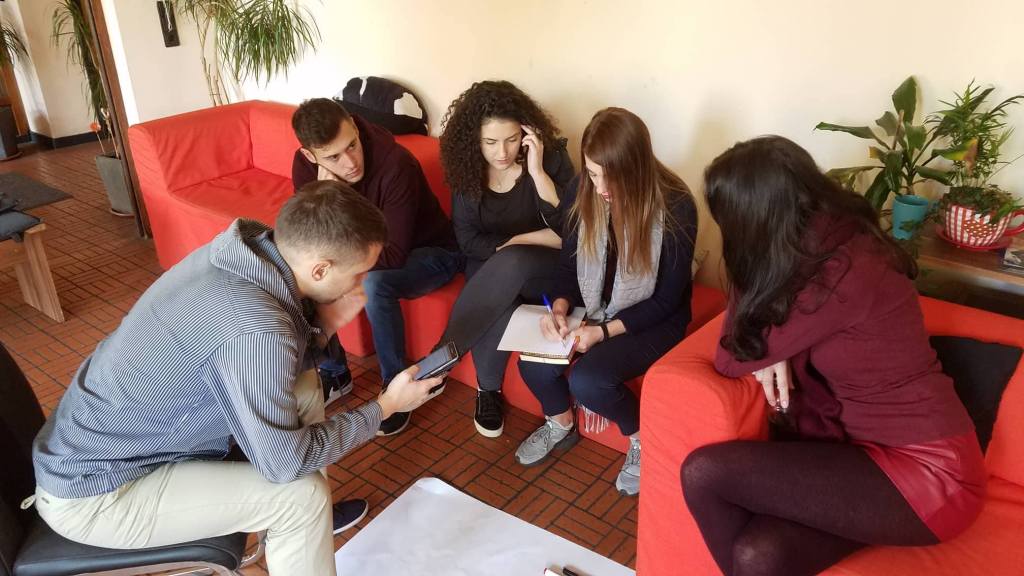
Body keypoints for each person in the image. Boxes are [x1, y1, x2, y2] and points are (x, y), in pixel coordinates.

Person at [31, 182, 444, 576]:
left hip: (102, 447)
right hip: (97, 493)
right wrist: (386, 406)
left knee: (303, 387)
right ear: (320, 269)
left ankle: (305, 533)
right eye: (358, 274)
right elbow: (285, 462)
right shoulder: (257, 327)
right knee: (301, 499)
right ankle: (302, 521)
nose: (360, 285)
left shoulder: (243, 252)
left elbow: (270, 358)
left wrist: (327, 323)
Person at [681, 136, 986, 576]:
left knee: (704, 473)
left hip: (932, 475)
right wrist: (773, 350)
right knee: (758, 554)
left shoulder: (837, 274)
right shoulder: (833, 239)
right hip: (867, 459)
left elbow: (731, 358)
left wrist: (751, 269)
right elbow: (754, 342)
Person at [514, 108, 697, 497]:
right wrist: (558, 309)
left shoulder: (676, 205)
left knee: (589, 380)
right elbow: (569, 266)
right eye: (594, 174)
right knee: (532, 361)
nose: (601, 188)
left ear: (637, 167)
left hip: (654, 318)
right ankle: (561, 423)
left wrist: (602, 332)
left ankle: (642, 439)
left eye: (612, 176)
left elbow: (668, 299)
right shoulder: (583, 189)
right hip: (594, 303)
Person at [292, 98, 462, 435]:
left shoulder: (396, 164)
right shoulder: (305, 168)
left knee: (373, 283)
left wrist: (336, 213)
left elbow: (393, 253)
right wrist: (328, 197)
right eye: (333, 158)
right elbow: (313, 239)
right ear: (311, 157)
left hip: (433, 253)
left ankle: (395, 389)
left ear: (355, 127)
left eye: (351, 145)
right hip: (367, 254)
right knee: (306, 274)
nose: (350, 162)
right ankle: (335, 372)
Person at [434, 80, 575, 437]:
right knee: (501, 295)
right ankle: (488, 391)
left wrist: (538, 173)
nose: (502, 152)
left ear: (526, 133)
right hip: (490, 266)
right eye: (490, 142)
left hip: (543, 268)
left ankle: (440, 359)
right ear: (474, 141)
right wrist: (519, 242)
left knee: (513, 263)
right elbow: (467, 240)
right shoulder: (467, 170)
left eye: (512, 140)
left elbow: (571, 231)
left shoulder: (550, 159)